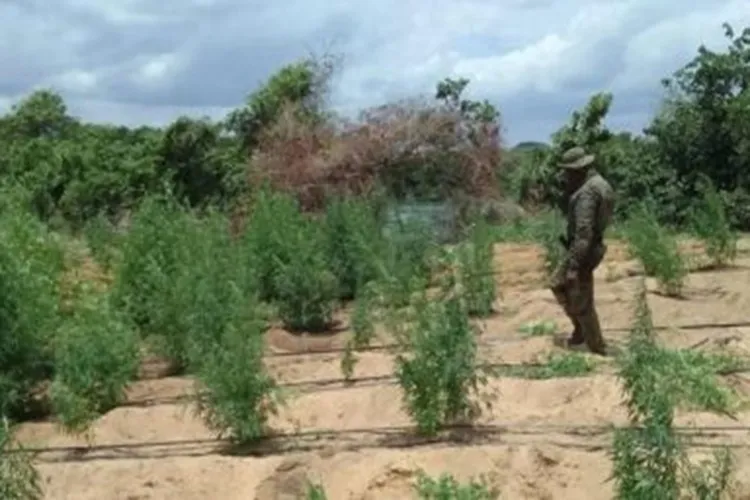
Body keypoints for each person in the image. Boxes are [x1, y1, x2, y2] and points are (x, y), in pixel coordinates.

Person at [550, 146, 615, 355]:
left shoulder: (587, 192)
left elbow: (584, 231)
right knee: (559, 284)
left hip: (584, 249)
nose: (566, 176)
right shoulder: (601, 184)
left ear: (578, 170)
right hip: (590, 247)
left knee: (580, 295)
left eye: (569, 171)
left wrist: (574, 265)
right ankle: (580, 330)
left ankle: (596, 346)